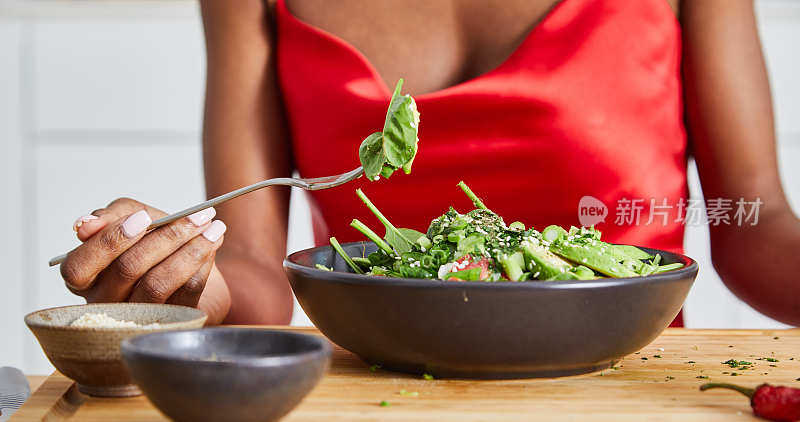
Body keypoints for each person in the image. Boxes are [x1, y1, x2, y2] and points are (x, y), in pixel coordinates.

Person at [60, 0, 800, 327]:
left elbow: (756, 221)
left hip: (626, 393)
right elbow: (254, 270)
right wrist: (188, 274)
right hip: (375, 390)